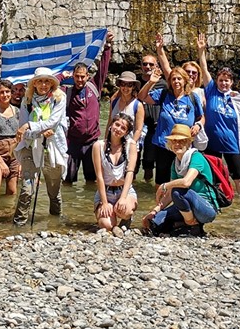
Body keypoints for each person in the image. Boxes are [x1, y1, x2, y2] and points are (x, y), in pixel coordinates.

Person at [196, 35, 240, 198]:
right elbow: (204, 69)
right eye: (221, 80)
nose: (223, 83)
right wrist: (201, 51)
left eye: (227, 81)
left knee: (239, 177)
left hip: (232, 144)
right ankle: (217, 201)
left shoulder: (238, 99)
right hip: (212, 144)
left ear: (232, 82)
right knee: (213, 177)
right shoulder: (211, 90)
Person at [12, 67, 68, 225]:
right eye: (40, 81)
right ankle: (19, 223)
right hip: (31, 145)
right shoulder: (27, 100)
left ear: (52, 83)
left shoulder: (59, 98)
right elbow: (23, 129)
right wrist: (37, 133)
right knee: (27, 188)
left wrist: (30, 125)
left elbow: (54, 122)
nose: (44, 85)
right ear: (34, 84)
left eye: (47, 81)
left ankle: (56, 223)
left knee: (54, 191)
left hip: (53, 148)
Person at [143, 124, 217, 237]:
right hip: (187, 207)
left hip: (205, 208)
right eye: (174, 141)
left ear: (188, 143)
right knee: (155, 222)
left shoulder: (196, 157)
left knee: (178, 190)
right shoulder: (176, 163)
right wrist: (154, 211)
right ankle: (185, 226)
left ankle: (191, 224)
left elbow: (186, 182)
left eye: (182, 141)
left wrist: (164, 185)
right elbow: (169, 195)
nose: (177, 144)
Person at [138, 61, 205, 184]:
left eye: (179, 79)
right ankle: (160, 202)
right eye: (173, 79)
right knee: (161, 180)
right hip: (164, 144)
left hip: (184, 145)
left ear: (185, 80)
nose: (176, 82)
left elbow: (201, 117)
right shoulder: (163, 94)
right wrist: (151, 82)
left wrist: (198, 125)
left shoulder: (192, 97)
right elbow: (142, 97)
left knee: (181, 179)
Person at [64, 32, 112, 184]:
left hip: (92, 142)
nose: (79, 79)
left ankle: (87, 206)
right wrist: (60, 77)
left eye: (82, 76)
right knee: (68, 180)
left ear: (87, 76)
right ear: (73, 76)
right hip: (73, 143)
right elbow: (48, 87)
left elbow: (103, 68)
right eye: (77, 76)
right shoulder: (67, 92)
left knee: (92, 181)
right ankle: (70, 206)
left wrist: (108, 46)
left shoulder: (94, 86)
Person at [92, 112, 138, 231]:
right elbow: (99, 176)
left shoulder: (131, 145)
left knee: (125, 212)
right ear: (111, 125)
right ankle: (108, 212)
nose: (118, 129)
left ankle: (127, 217)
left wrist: (123, 198)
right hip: (106, 191)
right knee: (107, 225)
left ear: (126, 132)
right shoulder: (98, 146)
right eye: (117, 125)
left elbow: (130, 173)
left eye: (123, 128)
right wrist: (105, 202)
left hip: (124, 190)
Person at [138, 52, 163, 182]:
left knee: (149, 162)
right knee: (133, 160)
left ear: (156, 65)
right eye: (145, 64)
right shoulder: (135, 83)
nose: (147, 66)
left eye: (151, 64)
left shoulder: (163, 84)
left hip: (154, 127)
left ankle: (148, 189)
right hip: (137, 127)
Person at [107, 71, 145, 153]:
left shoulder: (138, 105)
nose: (126, 88)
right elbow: (109, 123)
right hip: (113, 145)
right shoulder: (114, 102)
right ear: (119, 85)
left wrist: (132, 145)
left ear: (134, 86)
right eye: (123, 84)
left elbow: (138, 129)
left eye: (129, 85)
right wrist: (106, 141)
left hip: (129, 147)